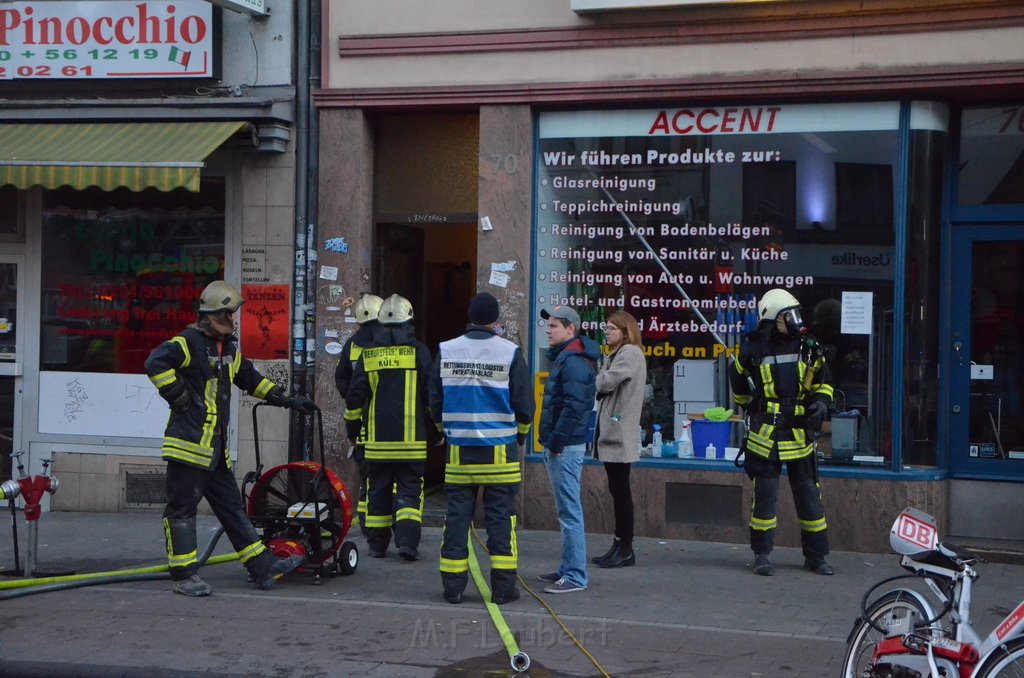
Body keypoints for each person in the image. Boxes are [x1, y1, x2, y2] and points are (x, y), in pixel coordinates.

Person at [145, 280, 315, 597]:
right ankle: (184, 576)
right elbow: (155, 362)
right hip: (189, 449)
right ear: (215, 315)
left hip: (214, 451)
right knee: (181, 511)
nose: (233, 321)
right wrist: (179, 398)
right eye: (230, 315)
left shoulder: (227, 350)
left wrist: (287, 400)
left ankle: (262, 568)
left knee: (233, 510)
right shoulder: (188, 342)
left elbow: (249, 379)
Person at [429, 292, 535, 605]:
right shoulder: (509, 352)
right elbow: (524, 404)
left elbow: (435, 401)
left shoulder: (447, 350)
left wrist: (443, 430)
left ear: (471, 317)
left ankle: (453, 588)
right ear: (495, 320)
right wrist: (520, 435)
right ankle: (503, 589)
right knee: (502, 520)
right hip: (500, 453)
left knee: (457, 520)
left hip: (460, 453)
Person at [729, 288, 835, 577]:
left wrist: (821, 403)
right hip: (767, 436)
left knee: (809, 498)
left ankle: (816, 556)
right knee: (764, 497)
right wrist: (750, 404)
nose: (796, 321)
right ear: (774, 318)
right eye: (790, 315)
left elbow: (824, 381)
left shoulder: (809, 346)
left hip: (800, 433)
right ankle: (762, 555)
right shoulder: (752, 348)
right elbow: (737, 379)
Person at [344, 294, 433, 561]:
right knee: (409, 492)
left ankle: (377, 545)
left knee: (377, 492)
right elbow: (431, 396)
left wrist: (353, 433)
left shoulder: (369, 355)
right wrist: (437, 430)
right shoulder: (420, 352)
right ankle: (407, 544)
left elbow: (353, 398)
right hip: (411, 442)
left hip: (376, 443)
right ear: (410, 321)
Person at [536, 305, 600, 594]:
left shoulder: (573, 361)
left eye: (554, 326)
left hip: (565, 447)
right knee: (565, 510)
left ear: (570, 330)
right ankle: (567, 568)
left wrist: (557, 442)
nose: (548, 330)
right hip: (563, 445)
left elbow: (575, 408)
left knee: (569, 512)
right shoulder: (568, 358)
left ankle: (575, 575)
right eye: (548, 326)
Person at [591, 310, 647, 569]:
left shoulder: (630, 354)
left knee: (621, 491)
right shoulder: (618, 353)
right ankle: (618, 544)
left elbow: (605, 383)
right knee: (617, 490)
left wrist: (597, 376)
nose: (607, 331)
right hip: (613, 431)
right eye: (606, 327)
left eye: (612, 328)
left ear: (626, 331)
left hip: (619, 432)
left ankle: (625, 548)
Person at [334, 293, 384, 537]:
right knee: (390, 480)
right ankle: (388, 527)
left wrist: (353, 398)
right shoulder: (388, 343)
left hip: (360, 421)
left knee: (367, 479)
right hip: (387, 422)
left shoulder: (351, 345)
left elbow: (340, 378)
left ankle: (368, 525)